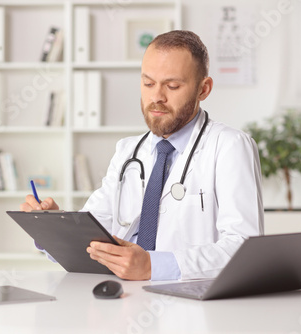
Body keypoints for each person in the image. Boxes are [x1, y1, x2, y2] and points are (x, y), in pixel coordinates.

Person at [20, 30, 263, 281]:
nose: (156, 97)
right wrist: (55, 227)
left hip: (189, 305)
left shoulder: (230, 146)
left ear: (204, 89)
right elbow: (95, 230)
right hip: (121, 296)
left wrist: (152, 266)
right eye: (148, 83)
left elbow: (245, 248)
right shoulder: (128, 151)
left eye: (173, 86)